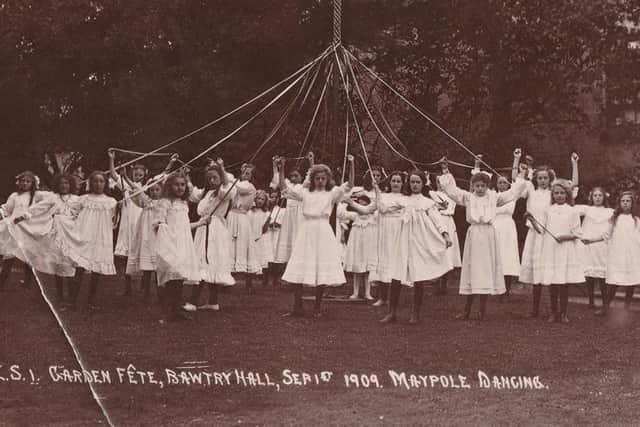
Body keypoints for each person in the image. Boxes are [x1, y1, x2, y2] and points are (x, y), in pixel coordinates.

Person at [439, 160, 526, 320]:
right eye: (477, 186)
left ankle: (482, 310)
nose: (480, 189)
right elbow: (452, 191)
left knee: (485, 270)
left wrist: (521, 175)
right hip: (474, 235)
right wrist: (445, 171)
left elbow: (512, 194)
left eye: (483, 186)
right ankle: (466, 310)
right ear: (473, 186)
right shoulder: (468, 198)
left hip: (488, 235)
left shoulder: (493, 197)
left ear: (487, 186)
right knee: (473, 269)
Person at [279, 155, 354, 317]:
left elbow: (350, 185)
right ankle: (297, 307)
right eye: (317, 178)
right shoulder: (305, 192)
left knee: (321, 266)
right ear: (312, 179)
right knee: (300, 264)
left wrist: (351, 164)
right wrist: (281, 169)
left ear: (328, 180)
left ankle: (317, 307)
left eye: (323, 178)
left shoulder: (332, 193)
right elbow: (284, 190)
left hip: (323, 230)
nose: (320, 181)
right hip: (306, 230)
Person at [382, 170, 452, 324]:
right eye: (412, 182)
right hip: (403, 240)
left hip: (420, 241)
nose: (414, 185)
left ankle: (415, 313)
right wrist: (376, 190)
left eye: (417, 182)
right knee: (396, 274)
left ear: (422, 184)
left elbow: (437, 219)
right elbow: (383, 208)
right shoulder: (403, 200)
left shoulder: (427, 202)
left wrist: (445, 234)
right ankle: (392, 312)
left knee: (418, 275)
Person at [12, 174, 79, 303]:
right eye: (61, 183)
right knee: (58, 264)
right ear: (57, 185)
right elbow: (38, 208)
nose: (64, 186)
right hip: (57, 233)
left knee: (71, 264)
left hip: (71, 234)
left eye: (66, 183)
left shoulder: (76, 199)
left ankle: (71, 298)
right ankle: (60, 296)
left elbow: (84, 212)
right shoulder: (53, 198)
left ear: (71, 185)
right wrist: (23, 216)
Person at [60, 171, 117, 310]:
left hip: (100, 237)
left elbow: (113, 222)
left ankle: (91, 301)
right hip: (83, 234)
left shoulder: (111, 202)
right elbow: (71, 214)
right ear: (90, 183)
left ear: (105, 183)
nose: (98, 184)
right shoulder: (83, 199)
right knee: (79, 267)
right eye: (95, 181)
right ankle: (72, 301)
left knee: (96, 268)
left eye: (101, 181)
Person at [187, 161, 237, 312]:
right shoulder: (207, 193)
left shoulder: (224, 192)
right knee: (207, 261)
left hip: (214, 229)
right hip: (204, 227)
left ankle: (193, 301)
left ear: (221, 177)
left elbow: (227, 188)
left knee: (207, 261)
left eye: (215, 178)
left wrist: (222, 168)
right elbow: (193, 194)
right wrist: (187, 176)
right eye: (210, 179)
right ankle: (213, 302)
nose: (212, 181)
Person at [154, 172, 204, 321]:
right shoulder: (164, 202)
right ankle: (167, 311)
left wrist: (201, 222)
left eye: (182, 184)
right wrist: (165, 234)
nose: (180, 187)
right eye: (176, 184)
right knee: (170, 276)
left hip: (182, 242)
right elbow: (158, 222)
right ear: (169, 186)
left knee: (179, 276)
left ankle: (176, 310)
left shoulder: (183, 204)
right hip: (169, 242)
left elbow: (184, 226)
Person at [535, 179, 585, 323]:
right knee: (552, 283)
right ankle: (553, 312)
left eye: (562, 193)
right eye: (556, 193)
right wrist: (532, 220)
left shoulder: (572, 211)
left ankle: (563, 313)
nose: (559, 195)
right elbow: (541, 230)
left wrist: (565, 237)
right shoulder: (548, 210)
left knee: (563, 283)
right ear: (552, 195)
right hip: (551, 249)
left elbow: (577, 233)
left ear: (567, 194)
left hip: (565, 249)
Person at [587, 192, 640, 315]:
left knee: (630, 282)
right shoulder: (614, 219)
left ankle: (626, 308)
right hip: (618, 254)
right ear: (619, 203)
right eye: (623, 201)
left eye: (628, 201)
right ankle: (605, 308)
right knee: (614, 282)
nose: (625, 203)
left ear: (632, 204)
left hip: (632, 255)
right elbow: (606, 235)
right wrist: (591, 240)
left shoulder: (636, 220)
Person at [0, 171, 44, 290]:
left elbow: (40, 210)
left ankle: (27, 283)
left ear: (33, 183)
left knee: (28, 258)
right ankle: (2, 282)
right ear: (18, 183)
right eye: (23, 181)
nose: (25, 183)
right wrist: (3, 213)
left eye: (28, 181)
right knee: (10, 255)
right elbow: (7, 209)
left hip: (28, 229)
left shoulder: (35, 197)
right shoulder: (14, 196)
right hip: (14, 229)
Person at [125, 179, 164, 303]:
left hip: (158, 236)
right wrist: (125, 177)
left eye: (157, 189)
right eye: (152, 190)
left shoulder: (164, 203)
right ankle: (146, 293)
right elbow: (137, 190)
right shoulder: (146, 202)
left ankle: (160, 295)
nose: (154, 192)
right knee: (147, 268)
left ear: (162, 190)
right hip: (146, 237)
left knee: (159, 268)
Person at [574, 187, 613, 308]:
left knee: (602, 274)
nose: (597, 198)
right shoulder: (587, 209)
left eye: (600, 195)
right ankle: (590, 301)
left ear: (604, 197)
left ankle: (604, 302)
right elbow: (571, 209)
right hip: (587, 244)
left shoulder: (610, 211)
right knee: (589, 274)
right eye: (595, 195)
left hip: (601, 245)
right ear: (591, 197)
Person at [372, 171, 406, 307]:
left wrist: (378, 195)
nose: (395, 184)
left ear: (402, 183)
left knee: (396, 262)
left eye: (398, 181)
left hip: (398, 230)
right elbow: (381, 208)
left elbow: (385, 209)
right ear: (390, 182)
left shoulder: (405, 197)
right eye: (393, 181)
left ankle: (394, 298)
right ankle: (382, 297)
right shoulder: (384, 196)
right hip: (386, 232)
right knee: (384, 260)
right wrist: (377, 193)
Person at [429, 175, 461, 295]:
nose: (440, 184)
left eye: (442, 182)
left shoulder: (452, 195)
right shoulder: (432, 193)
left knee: (448, 253)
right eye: (437, 181)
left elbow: (453, 187)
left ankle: (444, 285)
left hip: (448, 221)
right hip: (438, 221)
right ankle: (436, 284)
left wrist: (447, 177)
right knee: (438, 251)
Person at [342, 191, 377, 300]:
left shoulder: (373, 217)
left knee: (367, 271)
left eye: (364, 205)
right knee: (357, 271)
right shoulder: (354, 216)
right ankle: (355, 292)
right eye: (359, 205)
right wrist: (342, 201)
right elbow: (341, 214)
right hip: (357, 246)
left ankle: (367, 293)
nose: (361, 207)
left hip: (368, 246)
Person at [227, 163, 257, 288]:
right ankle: (228, 280)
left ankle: (248, 282)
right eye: (244, 172)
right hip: (231, 216)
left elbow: (238, 187)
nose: (245, 175)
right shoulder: (234, 185)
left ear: (251, 177)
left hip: (242, 217)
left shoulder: (250, 187)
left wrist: (225, 173)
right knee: (230, 245)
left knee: (244, 246)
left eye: (248, 173)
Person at [493, 176, 521, 301]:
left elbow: (508, 209)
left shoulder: (512, 196)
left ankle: (506, 291)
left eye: (505, 182)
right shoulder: (492, 195)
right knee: (495, 257)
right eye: (500, 182)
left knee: (507, 258)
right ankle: (496, 289)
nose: (502, 185)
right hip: (494, 225)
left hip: (507, 228)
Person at [248, 190, 271, 288]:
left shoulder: (266, 213)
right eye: (258, 198)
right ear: (254, 199)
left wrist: (268, 221)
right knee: (249, 260)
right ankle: (248, 282)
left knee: (260, 259)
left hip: (259, 239)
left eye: (262, 199)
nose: (260, 201)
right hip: (249, 238)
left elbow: (264, 230)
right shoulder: (249, 212)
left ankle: (264, 280)